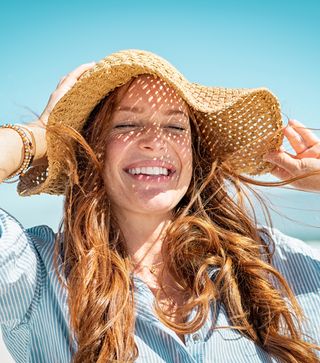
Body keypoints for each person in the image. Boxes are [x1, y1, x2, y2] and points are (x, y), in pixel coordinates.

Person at [0, 49, 319, 363]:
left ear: (194, 152)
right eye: (126, 124)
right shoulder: (40, 277)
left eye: (176, 127)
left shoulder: (268, 264)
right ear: (93, 149)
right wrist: (39, 135)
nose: (155, 140)